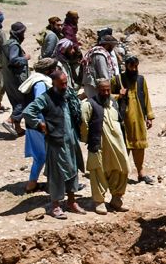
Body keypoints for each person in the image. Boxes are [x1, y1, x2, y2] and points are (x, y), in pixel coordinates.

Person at [22, 68, 85, 219]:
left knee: (72, 169)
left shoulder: (68, 94)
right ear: (54, 83)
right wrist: (40, 125)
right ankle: (55, 205)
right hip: (56, 141)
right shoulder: (46, 97)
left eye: (65, 83)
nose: (64, 86)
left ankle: (71, 201)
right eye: (61, 84)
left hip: (71, 140)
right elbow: (28, 112)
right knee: (56, 174)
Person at [80, 78, 130, 214]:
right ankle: (99, 202)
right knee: (98, 172)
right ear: (97, 90)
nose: (106, 92)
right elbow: (84, 124)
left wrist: (123, 98)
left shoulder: (113, 102)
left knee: (121, 169)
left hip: (117, 145)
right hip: (99, 145)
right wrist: (89, 139)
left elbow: (121, 118)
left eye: (108, 90)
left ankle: (116, 199)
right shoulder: (88, 104)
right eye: (103, 90)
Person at [112, 56, 156, 185]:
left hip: (138, 118)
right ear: (126, 66)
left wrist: (149, 116)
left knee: (139, 147)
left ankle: (140, 173)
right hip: (122, 119)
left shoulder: (141, 80)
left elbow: (147, 98)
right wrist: (118, 95)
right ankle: (121, 174)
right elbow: (105, 95)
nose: (134, 69)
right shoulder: (117, 79)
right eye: (132, 66)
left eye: (136, 66)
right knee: (123, 146)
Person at [18, 58, 56, 194]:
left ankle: (32, 183)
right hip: (39, 124)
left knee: (40, 155)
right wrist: (44, 124)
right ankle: (42, 184)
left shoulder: (34, 79)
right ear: (48, 71)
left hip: (33, 124)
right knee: (44, 155)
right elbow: (39, 105)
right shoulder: (40, 83)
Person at [0, 22, 30, 137]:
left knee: (16, 103)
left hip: (8, 78)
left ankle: (17, 128)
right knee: (23, 102)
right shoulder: (13, 45)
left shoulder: (7, 44)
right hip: (16, 79)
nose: (24, 36)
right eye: (23, 33)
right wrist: (25, 58)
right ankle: (9, 121)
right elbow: (13, 61)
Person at [82, 28, 120, 98]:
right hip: (95, 87)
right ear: (107, 45)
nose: (112, 48)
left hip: (93, 85)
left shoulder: (96, 51)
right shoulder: (100, 54)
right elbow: (104, 74)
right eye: (112, 45)